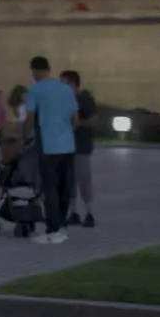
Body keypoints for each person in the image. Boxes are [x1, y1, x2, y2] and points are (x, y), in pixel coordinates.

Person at [25, 56, 78, 244]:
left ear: (35, 71)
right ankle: (62, 225)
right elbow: (75, 120)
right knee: (65, 187)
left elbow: (30, 119)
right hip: (68, 145)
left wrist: (25, 137)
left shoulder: (35, 90)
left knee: (50, 188)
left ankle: (53, 229)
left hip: (48, 146)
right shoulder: (66, 89)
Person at [61, 70, 98, 228]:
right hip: (65, 146)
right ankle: (73, 212)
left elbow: (94, 120)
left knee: (84, 180)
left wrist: (77, 124)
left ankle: (89, 212)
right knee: (69, 181)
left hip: (81, 146)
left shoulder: (84, 99)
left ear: (73, 84)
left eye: (64, 82)